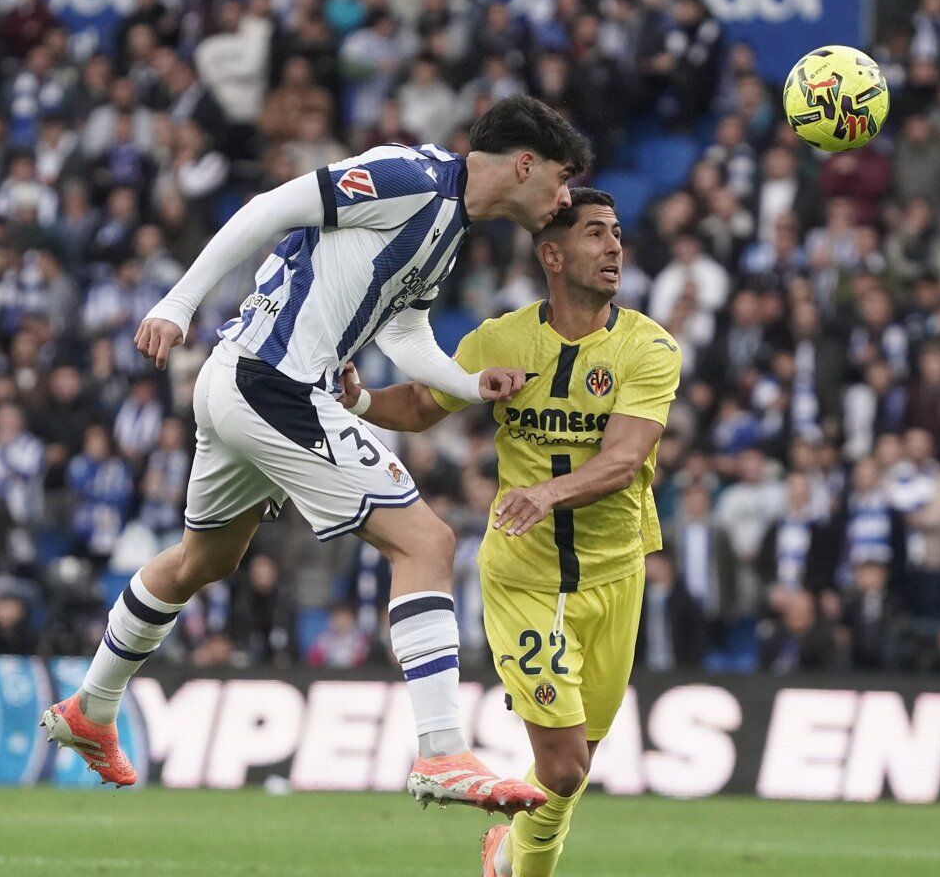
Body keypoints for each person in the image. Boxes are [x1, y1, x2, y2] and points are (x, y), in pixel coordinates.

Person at [42, 95, 590, 817]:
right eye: (560, 178)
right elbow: (271, 208)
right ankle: (441, 751)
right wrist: (177, 303)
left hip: (236, 383)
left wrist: (466, 382)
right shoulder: (409, 175)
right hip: (273, 383)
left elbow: (402, 335)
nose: (565, 197)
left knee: (202, 563)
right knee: (425, 542)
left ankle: (91, 706)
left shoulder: (448, 227)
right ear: (524, 163)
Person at [339, 188, 680, 877]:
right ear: (551, 255)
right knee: (560, 764)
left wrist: (550, 496)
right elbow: (422, 404)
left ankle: (500, 865)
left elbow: (625, 459)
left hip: (614, 574)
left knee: (572, 771)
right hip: (523, 579)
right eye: (594, 233)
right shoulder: (500, 338)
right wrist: (356, 400)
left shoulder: (648, 347)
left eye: (618, 234)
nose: (613, 248)